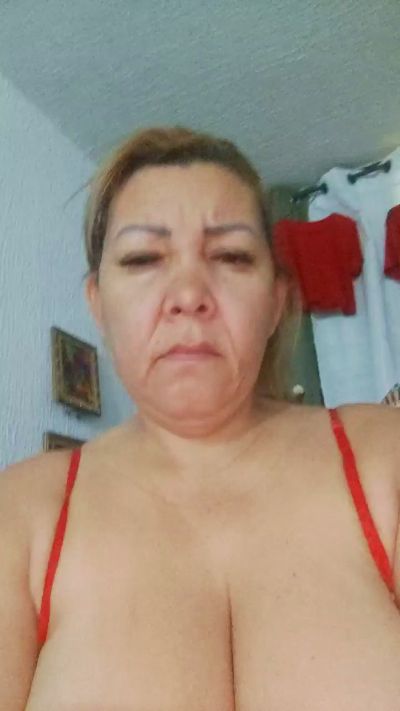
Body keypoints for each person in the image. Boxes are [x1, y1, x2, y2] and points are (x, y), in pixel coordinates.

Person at [1, 126, 400, 710]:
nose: (189, 294)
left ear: (275, 301)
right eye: (143, 258)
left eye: (232, 256)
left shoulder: (386, 458)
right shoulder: (17, 515)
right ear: (98, 305)